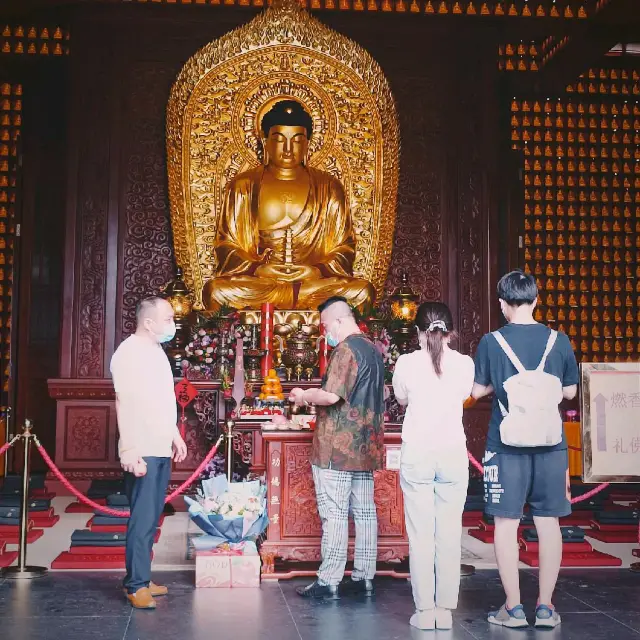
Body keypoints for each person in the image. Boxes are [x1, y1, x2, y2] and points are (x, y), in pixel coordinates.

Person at [471, 270, 578, 629]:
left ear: (503, 304)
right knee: (548, 522)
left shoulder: (491, 341)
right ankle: (546, 608)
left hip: (506, 445)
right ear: (536, 299)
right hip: (551, 444)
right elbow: (569, 393)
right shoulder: (559, 340)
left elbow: (478, 390)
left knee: (506, 522)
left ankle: (514, 609)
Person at [289, 296, 385, 599]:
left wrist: (304, 395)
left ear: (340, 320)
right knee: (366, 513)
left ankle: (330, 578)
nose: (324, 332)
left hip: (337, 447)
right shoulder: (373, 349)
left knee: (335, 512)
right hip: (366, 445)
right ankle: (364, 576)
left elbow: (331, 397)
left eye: (326, 325)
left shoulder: (345, 350)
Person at [392, 302, 474, 631]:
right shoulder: (465, 364)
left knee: (421, 533)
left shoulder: (407, 362)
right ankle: (445, 610)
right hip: (453, 451)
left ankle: (425, 611)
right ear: (450, 331)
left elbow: (400, 398)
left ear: (417, 333)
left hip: (418, 451)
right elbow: (466, 394)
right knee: (450, 532)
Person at [110, 296, 188, 610]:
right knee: (141, 519)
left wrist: (174, 435)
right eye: (168, 319)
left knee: (152, 517)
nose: (173, 324)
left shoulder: (156, 351)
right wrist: (128, 449)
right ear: (149, 322)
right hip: (141, 447)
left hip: (159, 445)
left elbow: (160, 400)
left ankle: (143, 575)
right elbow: (124, 403)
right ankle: (135, 584)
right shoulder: (128, 353)